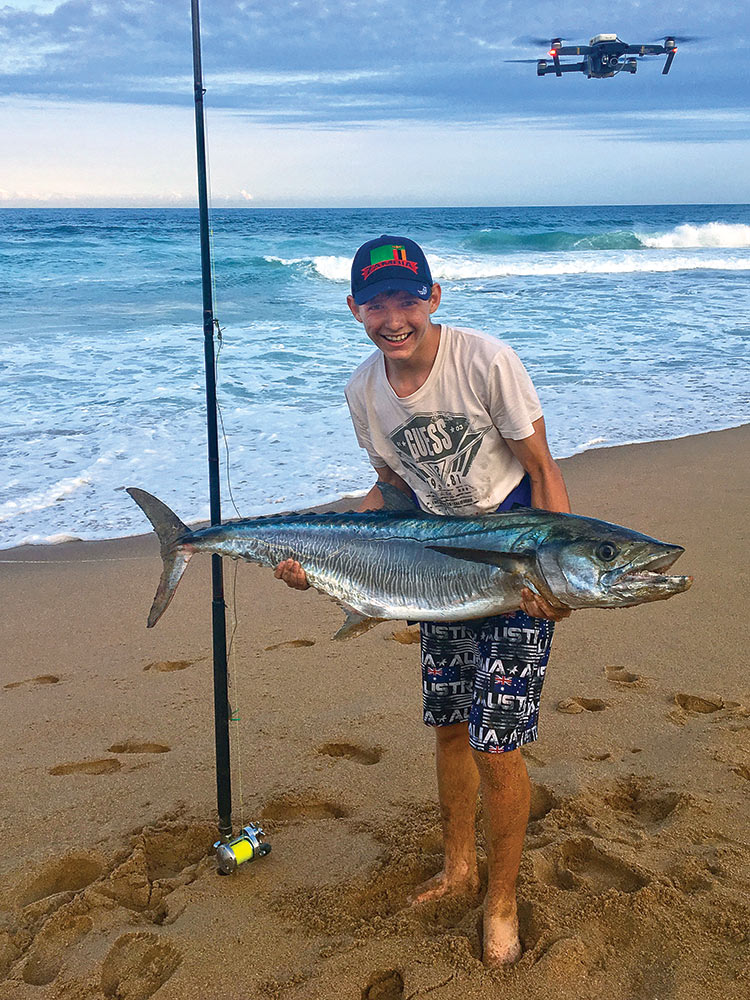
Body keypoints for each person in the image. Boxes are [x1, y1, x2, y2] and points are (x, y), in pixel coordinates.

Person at [275, 235, 571, 967]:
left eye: (408, 299)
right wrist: (315, 551)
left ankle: (500, 903)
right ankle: (457, 866)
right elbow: (393, 495)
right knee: (446, 726)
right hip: (431, 571)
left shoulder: (484, 361)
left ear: (434, 298)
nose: (393, 317)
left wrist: (553, 575)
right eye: (376, 303)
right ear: (354, 309)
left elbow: (541, 467)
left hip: (511, 566)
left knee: (497, 744)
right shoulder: (362, 391)